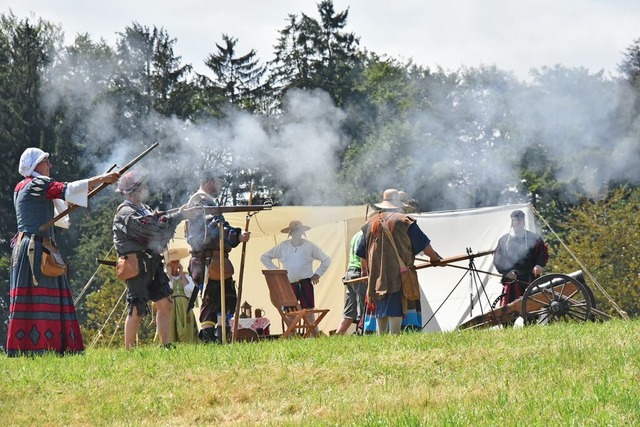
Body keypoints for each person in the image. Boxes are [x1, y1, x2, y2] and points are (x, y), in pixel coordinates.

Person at [7, 147, 120, 356]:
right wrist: (103, 178)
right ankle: (44, 348)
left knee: (38, 297)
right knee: (41, 296)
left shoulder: (21, 186)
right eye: (45, 161)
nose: (49, 165)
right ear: (35, 165)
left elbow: (64, 195)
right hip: (37, 249)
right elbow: (66, 188)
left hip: (29, 248)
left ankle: (36, 348)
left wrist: (99, 183)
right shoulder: (39, 184)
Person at [112, 170, 193, 349]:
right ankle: (129, 349)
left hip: (153, 262)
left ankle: (166, 345)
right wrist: (179, 216)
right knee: (137, 307)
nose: (147, 188)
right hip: (137, 263)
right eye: (143, 186)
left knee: (165, 304)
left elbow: (158, 226)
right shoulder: (125, 212)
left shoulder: (144, 209)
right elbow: (152, 228)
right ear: (134, 190)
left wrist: (178, 214)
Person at [356, 189, 443, 335]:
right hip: (398, 273)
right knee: (395, 305)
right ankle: (394, 337)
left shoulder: (370, 223)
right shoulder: (405, 221)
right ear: (398, 204)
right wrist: (434, 258)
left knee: (380, 304)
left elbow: (361, 252)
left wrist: (365, 271)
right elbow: (423, 244)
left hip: (376, 274)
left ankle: (381, 338)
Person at [185, 171, 250, 343]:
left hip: (213, 260)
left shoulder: (205, 201)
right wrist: (236, 236)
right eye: (217, 182)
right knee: (211, 302)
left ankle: (222, 339)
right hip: (207, 261)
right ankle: (210, 341)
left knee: (225, 299)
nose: (219, 186)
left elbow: (219, 227)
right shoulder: (201, 201)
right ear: (207, 181)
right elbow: (215, 227)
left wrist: (234, 235)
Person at [260, 220, 331, 314]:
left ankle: (312, 329)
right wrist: (278, 272)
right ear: (290, 233)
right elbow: (264, 257)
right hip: (289, 284)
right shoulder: (283, 246)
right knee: (290, 313)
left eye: (298, 230)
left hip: (305, 283)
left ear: (302, 232)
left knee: (309, 312)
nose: (296, 232)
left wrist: (318, 274)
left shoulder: (310, 246)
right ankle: (292, 329)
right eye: (294, 231)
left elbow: (326, 259)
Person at [493, 209, 549, 306]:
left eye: (520, 220)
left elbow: (542, 253)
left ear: (523, 221)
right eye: (515, 220)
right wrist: (507, 272)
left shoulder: (534, 238)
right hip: (512, 279)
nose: (518, 222)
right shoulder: (504, 240)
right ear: (512, 222)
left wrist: (539, 265)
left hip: (530, 277)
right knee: (509, 309)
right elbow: (498, 259)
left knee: (533, 307)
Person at [335, 229, 367, 335]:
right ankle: (361, 334)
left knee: (349, 311)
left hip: (350, 273)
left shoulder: (356, 235)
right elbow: (363, 256)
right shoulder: (365, 235)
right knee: (363, 308)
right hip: (359, 273)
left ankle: (337, 336)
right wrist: (365, 272)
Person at [164, 247, 198, 343]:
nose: (175, 264)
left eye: (177, 262)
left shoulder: (186, 276)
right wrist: (169, 275)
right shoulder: (165, 277)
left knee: (185, 325)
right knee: (171, 325)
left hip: (184, 305)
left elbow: (189, 290)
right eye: (172, 262)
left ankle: (188, 343)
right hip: (171, 304)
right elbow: (167, 290)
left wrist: (181, 273)